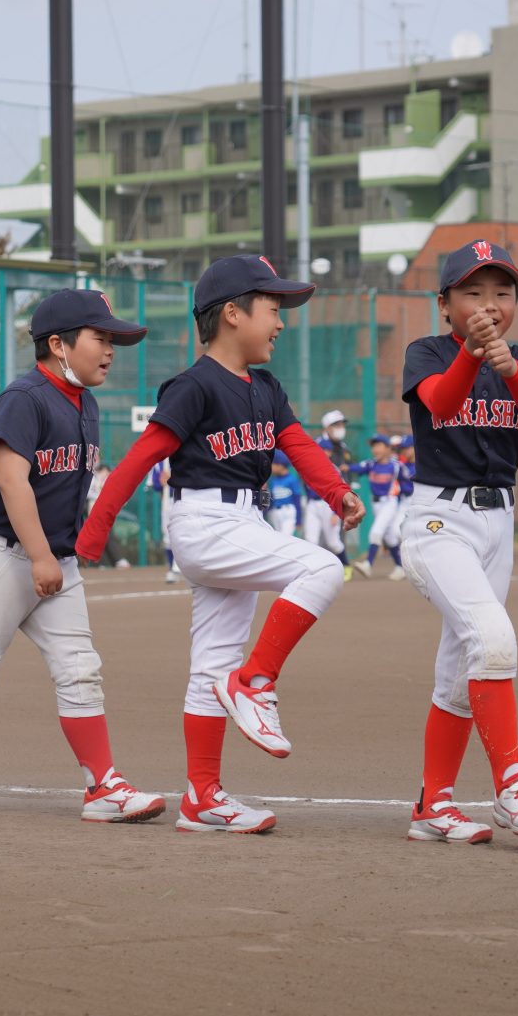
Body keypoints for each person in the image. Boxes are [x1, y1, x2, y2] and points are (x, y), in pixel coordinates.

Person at [80, 255, 364, 834]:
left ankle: (202, 798)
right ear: (233, 314)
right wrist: (95, 531)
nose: (281, 322)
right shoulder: (194, 385)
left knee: (210, 665)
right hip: (207, 524)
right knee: (323, 570)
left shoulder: (265, 386)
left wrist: (337, 494)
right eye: (272, 308)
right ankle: (255, 683)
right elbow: (141, 458)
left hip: (243, 525)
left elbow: (300, 446)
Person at [0, 288, 163, 825]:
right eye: (100, 338)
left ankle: (103, 786)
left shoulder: (85, 402)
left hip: (50, 556)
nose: (110, 349)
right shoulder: (26, 396)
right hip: (1, 555)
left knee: (81, 670)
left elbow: (38, 482)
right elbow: (14, 481)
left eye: (113, 340)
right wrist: (39, 555)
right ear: (58, 344)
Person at [396, 240, 518, 844]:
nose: (489, 304)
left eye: (501, 292)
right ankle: (513, 786)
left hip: (499, 527)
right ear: (444, 304)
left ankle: (432, 806)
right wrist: (470, 355)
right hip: (441, 522)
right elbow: (439, 404)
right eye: (472, 293)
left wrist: (506, 363)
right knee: (492, 641)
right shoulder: (427, 352)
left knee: (457, 673)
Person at [349, 435, 404, 579]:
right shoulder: (371, 464)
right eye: (373, 446)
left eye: (379, 445)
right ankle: (401, 567)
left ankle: (368, 564)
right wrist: (345, 466)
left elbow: (409, 482)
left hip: (390, 502)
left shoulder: (396, 466)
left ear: (388, 448)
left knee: (376, 531)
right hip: (376, 504)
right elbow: (354, 468)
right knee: (390, 537)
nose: (375, 449)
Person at [303, 409, 351, 562]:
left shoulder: (342, 447)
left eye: (342, 424)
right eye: (336, 424)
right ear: (327, 427)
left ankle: (343, 565)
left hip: (335, 499)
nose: (340, 427)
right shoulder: (316, 445)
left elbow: (345, 472)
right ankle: (320, 567)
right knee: (313, 540)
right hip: (316, 499)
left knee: (334, 539)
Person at [265, 453, 303, 537]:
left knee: (285, 537)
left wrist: (299, 520)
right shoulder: (273, 480)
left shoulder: (292, 479)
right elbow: (271, 499)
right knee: (278, 539)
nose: (272, 466)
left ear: (280, 465)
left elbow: (297, 499)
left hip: (288, 510)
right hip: (275, 512)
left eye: (274, 464)